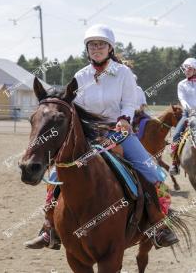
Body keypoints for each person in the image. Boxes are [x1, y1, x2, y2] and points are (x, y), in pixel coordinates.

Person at [25, 24, 178, 249]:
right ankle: (49, 228)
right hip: (89, 133)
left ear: (110, 48)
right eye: (92, 45)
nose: (96, 48)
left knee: (153, 173)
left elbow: (129, 100)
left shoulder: (123, 73)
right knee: (57, 172)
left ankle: (159, 225)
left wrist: (124, 118)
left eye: (101, 44)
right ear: (87, 50)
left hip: (120, 132)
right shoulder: (80, 75)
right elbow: (75, 106)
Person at [169, 57, 196, 175]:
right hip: (188, 113)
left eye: (189, 68)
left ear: (195, 69)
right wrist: (190, 110)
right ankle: (175, 163)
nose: (187, 71)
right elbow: (182, 99)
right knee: (176, 135)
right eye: (185, 69)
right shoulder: (181, 84)